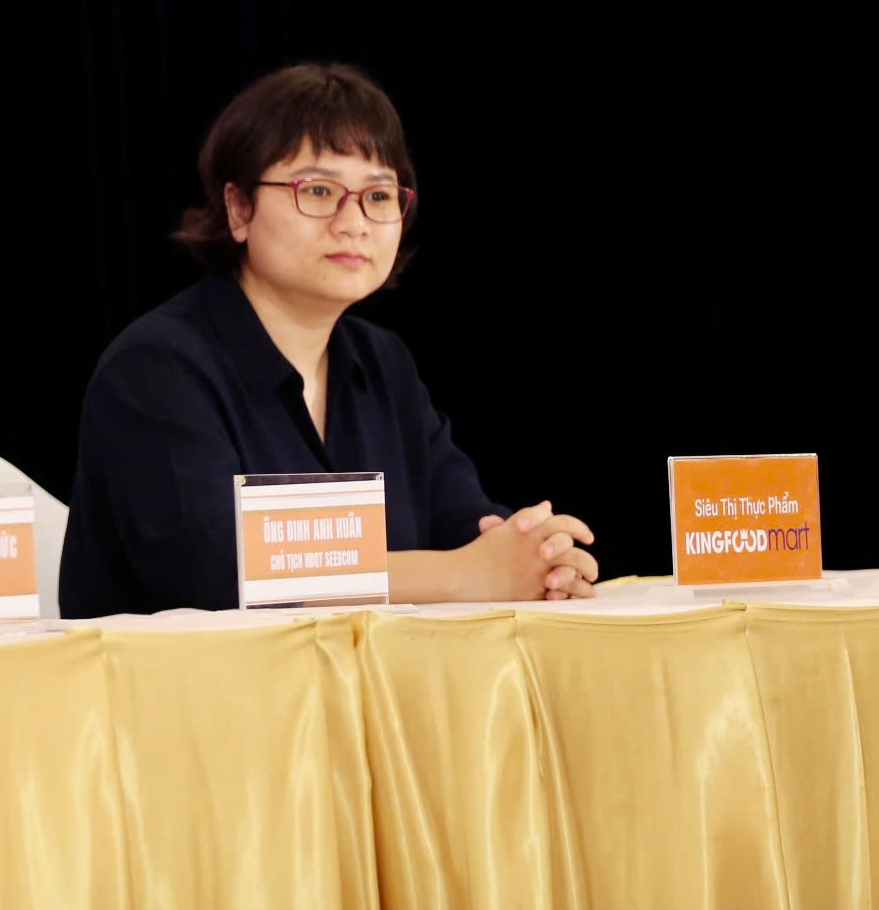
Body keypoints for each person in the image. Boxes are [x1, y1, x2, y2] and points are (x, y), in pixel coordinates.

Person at [58, 62, 599, 617]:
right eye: (318, 190)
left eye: (379, 196)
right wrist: (464, 575)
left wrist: (537, 557)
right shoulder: (155, 370)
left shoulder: (384, 363)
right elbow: (219, 574)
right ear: (238, 209)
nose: (354, 222)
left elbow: (465, 522)